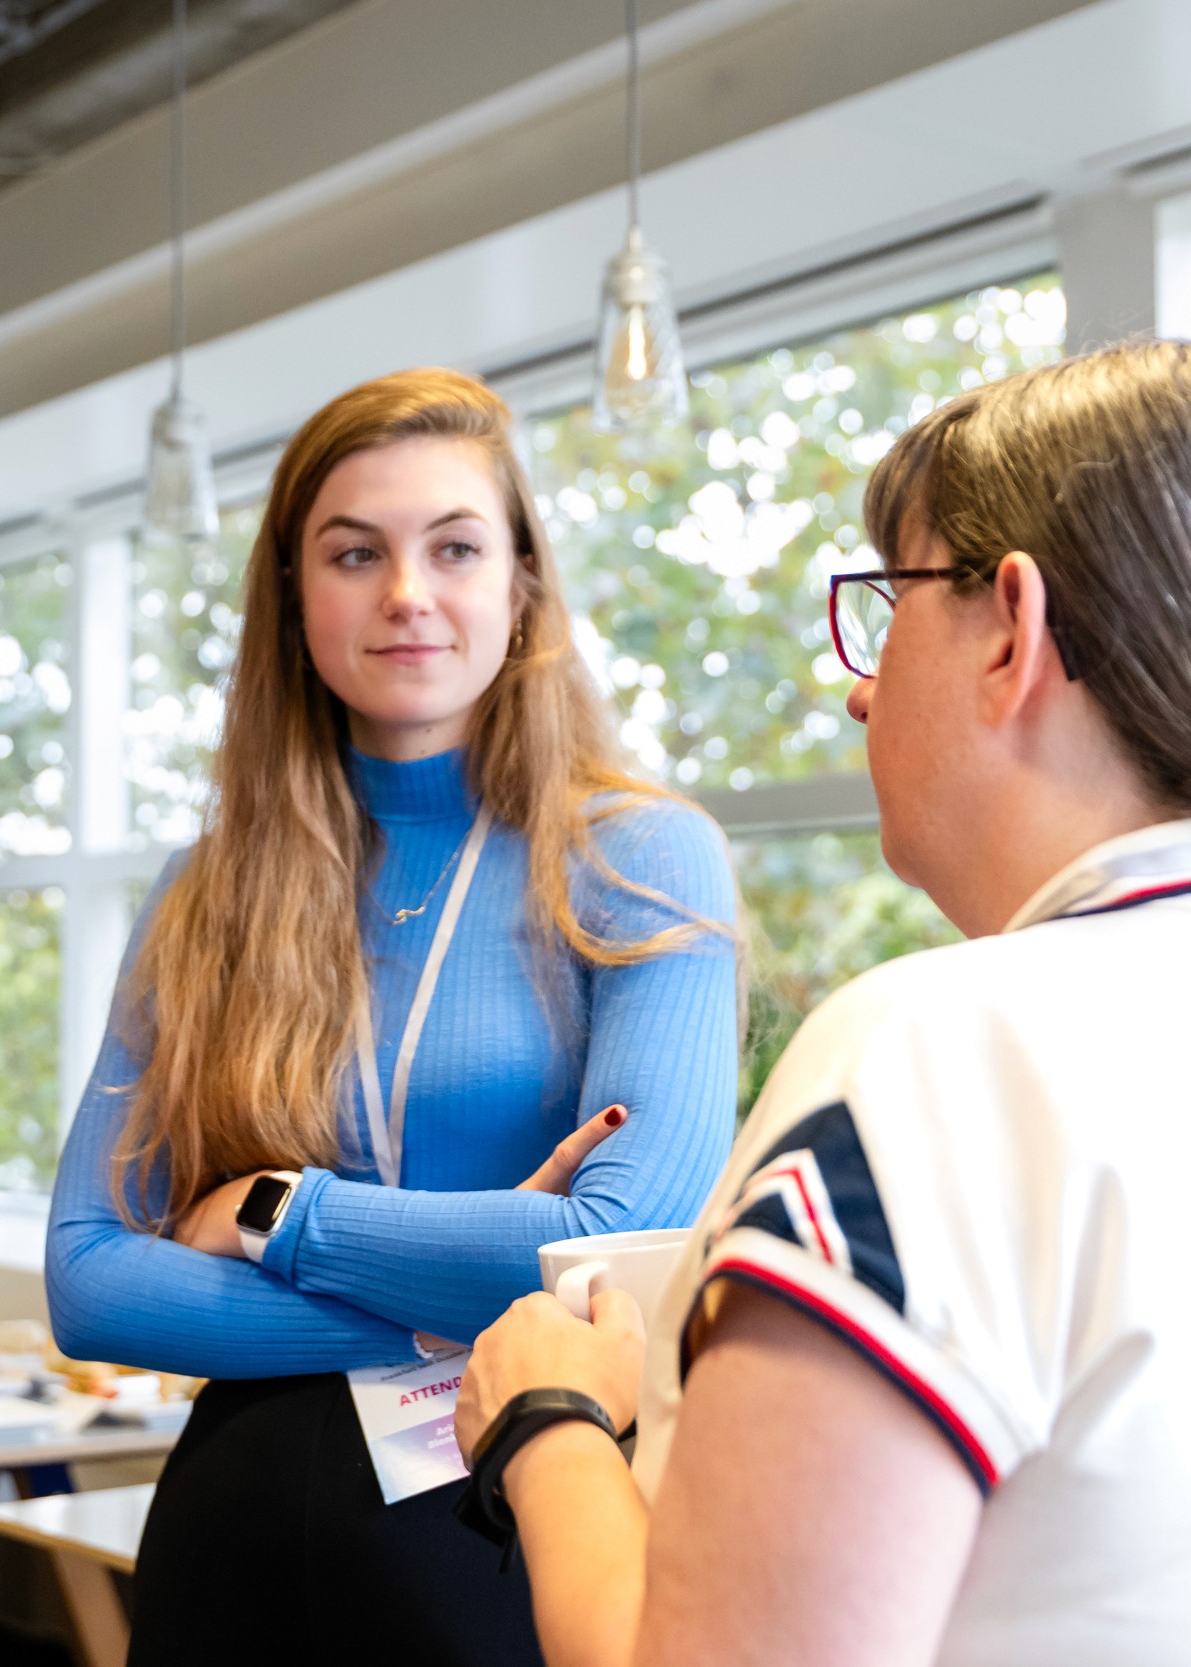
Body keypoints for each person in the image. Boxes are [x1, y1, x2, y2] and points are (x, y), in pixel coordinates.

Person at [455, 339, 1191, 1665]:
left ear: (1012, 631)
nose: (860, 683)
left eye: (887, 603)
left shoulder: (938, 1053)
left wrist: (546, 1421)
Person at [45, 369, 738, 1665]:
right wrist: (471, 1293)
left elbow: (618, 1245)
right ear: (294, 596)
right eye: (354, 553)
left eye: (455, 546)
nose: (407, 593)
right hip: (231, 1537)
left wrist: (272, 1215)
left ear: (521, 582)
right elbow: (88, 1279)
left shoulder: (643, 859)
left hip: (507, 1524)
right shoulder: (207, 891)